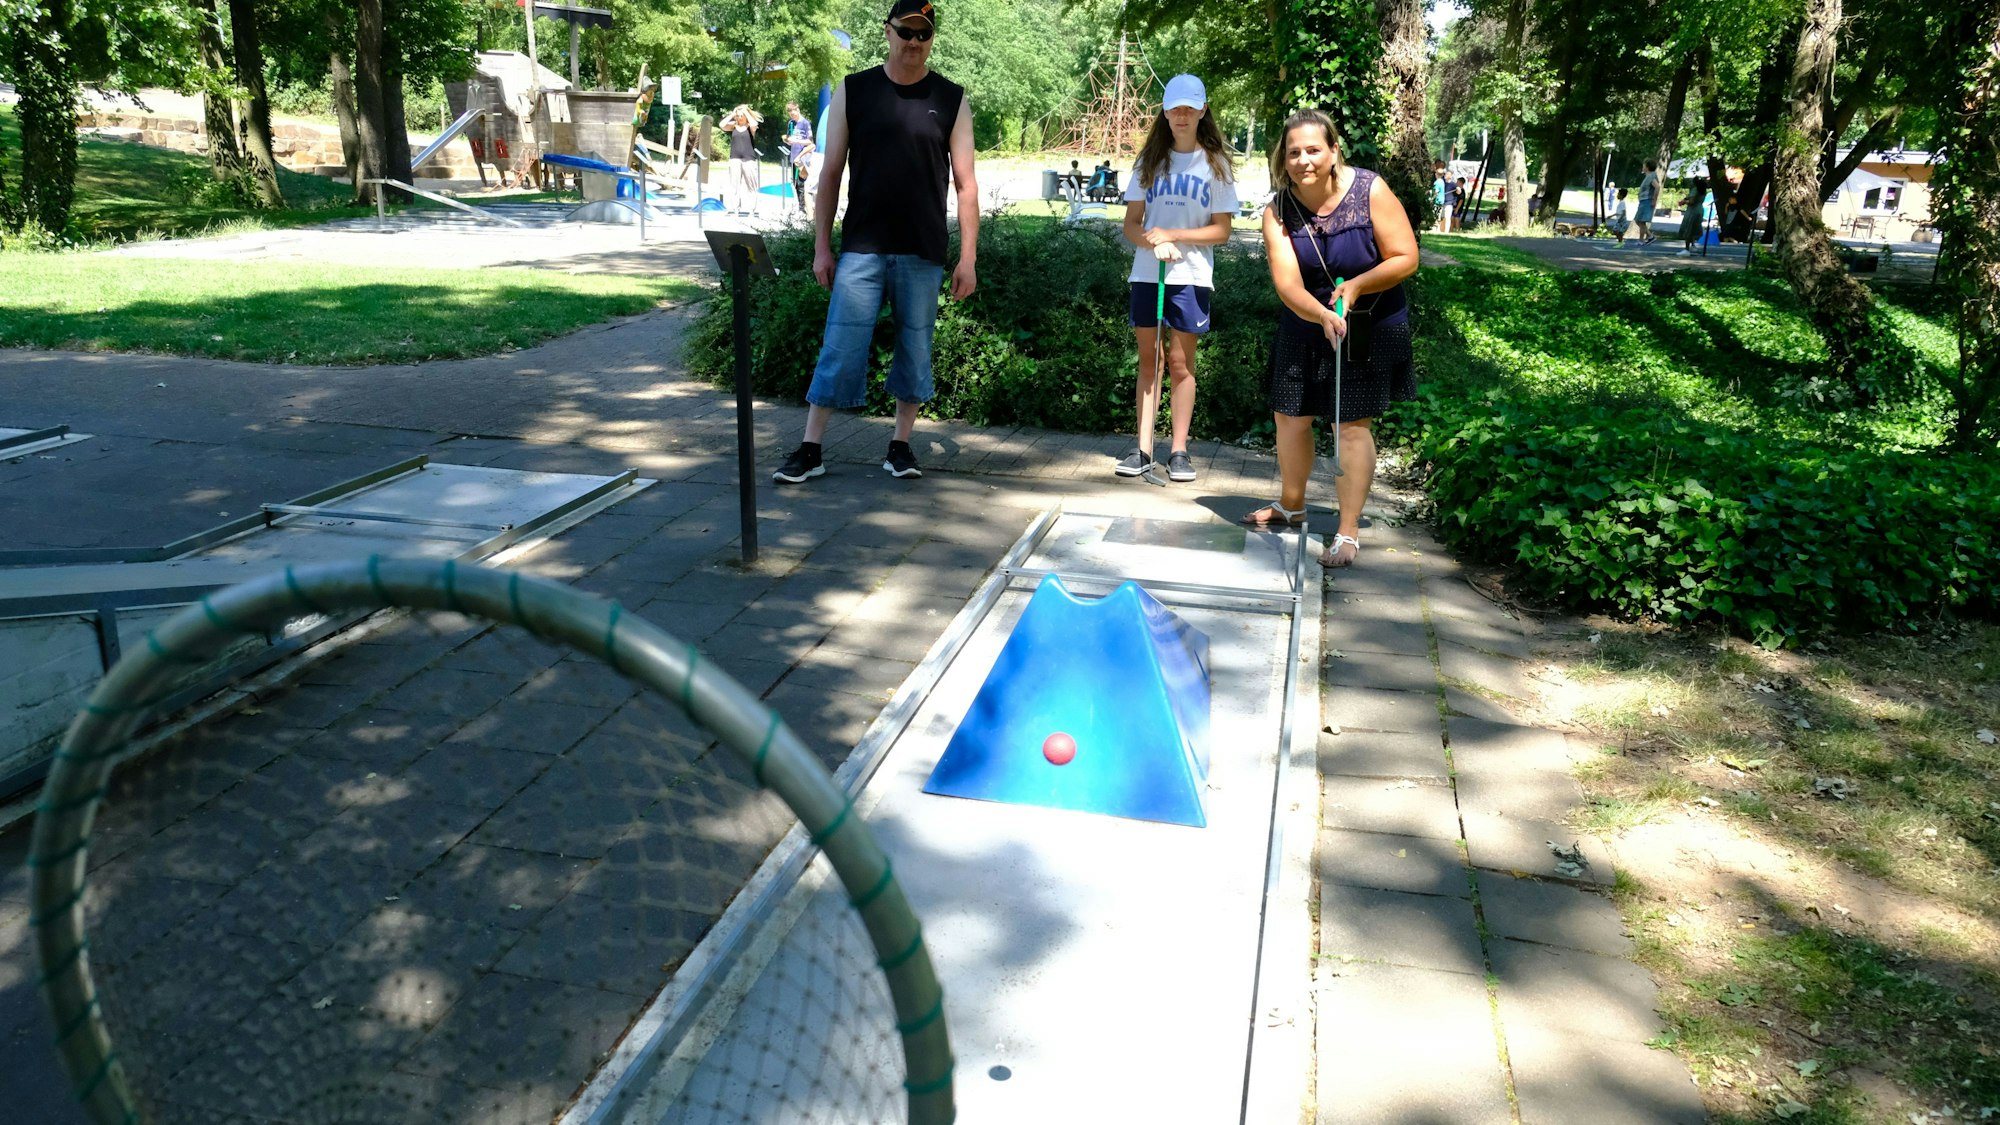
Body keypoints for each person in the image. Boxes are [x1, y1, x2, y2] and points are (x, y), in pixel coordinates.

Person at [772, 0, 977, 485]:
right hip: (861, 245)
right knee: (839, 347)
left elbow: (966, 184)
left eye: (923, 34)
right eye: (906, 31)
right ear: (888, 32)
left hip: (923, 248)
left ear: (932, 39)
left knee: (915, 351)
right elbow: (829, 174)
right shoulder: (855, 89)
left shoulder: (951, 98)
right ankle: (810, 449)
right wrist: (822, 247)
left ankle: (900, 447)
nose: (914, 42)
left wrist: (968, 257)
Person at [1244, 108, 1418, 569]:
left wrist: (1358, 286)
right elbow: (1287, 284)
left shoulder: (1370, 190)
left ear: (1334, 151)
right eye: (1293, 152)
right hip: (1308, 318)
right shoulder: (1278, 210)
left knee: (1351, 425)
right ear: (1283, 158)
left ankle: (1348, 529)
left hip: (1369, 321)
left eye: (1313, 150)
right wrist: (1321, 313)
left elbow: (1406, 256)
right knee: (1290, 416)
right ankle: (1292, 505)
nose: (1303, 160)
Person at [1113, 73, 1238, 483]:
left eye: (1190, 108)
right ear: (1165, 113)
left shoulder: (1215, 165)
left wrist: (1174, 235)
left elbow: (1222, 230)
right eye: (1174, 108)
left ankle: (1179, 451)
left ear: (1203, 111)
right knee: (1151, 360)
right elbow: (1131, 225)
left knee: (1182, 363)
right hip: (1148, 274)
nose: (1182, 115)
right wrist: (1154, 241)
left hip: (1192, 276)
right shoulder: (1149, 162)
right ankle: (1143, 448)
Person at [721, 104, 762, 216]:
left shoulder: (750, 127)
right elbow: (722, 125)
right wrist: (732, 114)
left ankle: (751, 210)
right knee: (734, 185)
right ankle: (736, 209)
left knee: (751, 186)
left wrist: (746, 112)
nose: (739, 117)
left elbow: (754, 124)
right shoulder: (733, 126)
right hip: (735, 158)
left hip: (749, 158)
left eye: (741, 115)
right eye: (738, 116)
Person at [785, 101, 815, 215]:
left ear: (798, 110)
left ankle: (803, 208)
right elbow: (789, 138)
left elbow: (810, 142)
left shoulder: (805, 123)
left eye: (793, 112)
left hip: (804, 156)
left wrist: (797, 141)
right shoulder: (791, 123)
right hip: (794, 155)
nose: (792, 114)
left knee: (802, 182)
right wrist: (788, 140)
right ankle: (799, 206)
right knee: (795, 182)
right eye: (790, 112)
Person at [1677, 177, 1708, 256]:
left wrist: (1684, 202)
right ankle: (1693, 245)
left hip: (1692, 211)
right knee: (1694, 228)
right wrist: (1685, 199)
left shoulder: (1695, 189)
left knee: (1688, 229)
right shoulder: (1703, 190)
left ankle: (1686, 249)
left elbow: (1691, 201)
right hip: (1700, 210)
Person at [1634, 159, 1660, 244]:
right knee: (1638, 220)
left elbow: (1657, 187)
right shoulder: (1648, 176)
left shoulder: (1651, 176)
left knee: (1641, 221)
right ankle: (1650, 236)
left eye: (1644, 165)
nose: (1643, 167)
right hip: (1643, 201)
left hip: (1647, 200)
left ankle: (1641, 240)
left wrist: (1654, 200)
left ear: (1647, 167)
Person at [1431, 161, 1449, 232]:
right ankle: (1438, 229)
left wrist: (1432, 198)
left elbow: (1436, 192)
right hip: (1441, 201)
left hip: (1437, 201)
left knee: (1435, 215)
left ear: (1436, 174)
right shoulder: (1442, 181)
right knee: (1439, 215)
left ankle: (1434, 229)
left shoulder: (1437, 182)